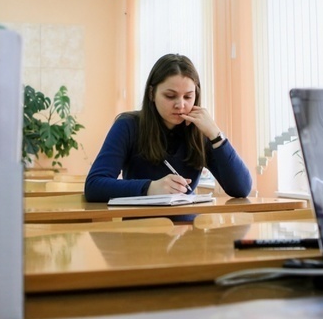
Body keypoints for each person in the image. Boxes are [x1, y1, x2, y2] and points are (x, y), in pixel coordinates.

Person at [85, 53, 252, 214]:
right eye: (170, 96)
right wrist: (150, 188)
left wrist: (216, 135)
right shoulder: (128, 126)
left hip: (190, 229)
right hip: (140, 228)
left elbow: (241, 189)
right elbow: (94, 185)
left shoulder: (200, 130)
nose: (180, 105)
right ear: (152, 94)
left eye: (188, 97)